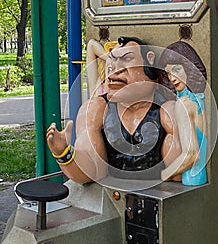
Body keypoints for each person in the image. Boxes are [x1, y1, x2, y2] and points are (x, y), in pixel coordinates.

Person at [46, 37, 181, 184]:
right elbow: (91, 173)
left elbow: (178, 177)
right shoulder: (95, 110)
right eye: (112, 61)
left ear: (149, 60)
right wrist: (64, 153)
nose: (114, 67)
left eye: (127, 58)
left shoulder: (168, 111)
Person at [158, 40, 208, 186]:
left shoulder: (184, 104)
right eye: (168, 72)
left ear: (189, 68)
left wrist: (163, 174)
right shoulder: (198, 99)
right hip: (199, 177)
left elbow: (192, 154)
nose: (172, 78)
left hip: (191, 179)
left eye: (177, 69)